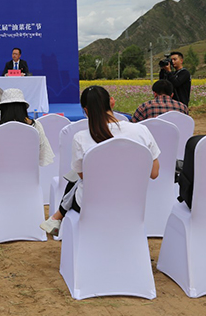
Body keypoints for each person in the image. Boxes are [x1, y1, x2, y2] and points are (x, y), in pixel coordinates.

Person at [40, 86, 160, 237]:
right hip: (132, 202)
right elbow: (154, 173)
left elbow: (85, 177)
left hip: (92, 204)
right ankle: (56, 217)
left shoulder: (81, 138)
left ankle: (57, 217)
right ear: (112, 102)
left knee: (75, 178)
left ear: (86, 110)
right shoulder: (141, 131)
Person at [0, 88, 54, 225]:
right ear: (23, 108)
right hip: (29, 179)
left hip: (1, 179)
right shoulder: (36, 127)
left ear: (3, 109)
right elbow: (43, 154)